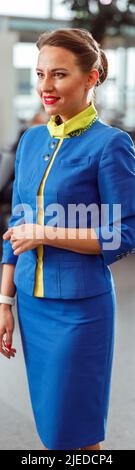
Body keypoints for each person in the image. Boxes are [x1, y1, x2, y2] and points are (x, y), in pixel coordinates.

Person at [0, 28, 135, 451]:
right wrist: (4, 301)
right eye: (40, 74)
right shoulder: (31, 140)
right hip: (32, 305)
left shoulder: (112, 145)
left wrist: (46, 232)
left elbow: (123, 234)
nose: (45, 86)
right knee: (50, 428)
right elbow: (17, 222)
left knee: (74, 431)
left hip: (81, 310)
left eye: (58, 74)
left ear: (91, 77)